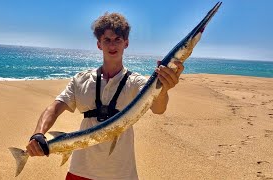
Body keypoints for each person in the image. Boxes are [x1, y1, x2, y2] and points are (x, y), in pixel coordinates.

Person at [26, 12, 184, 180]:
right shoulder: (82, 80)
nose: (112, 45)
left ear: (126, 43)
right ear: (99, 45)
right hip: (80, 171)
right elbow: (55, 107)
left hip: (121, 173)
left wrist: (163, 88)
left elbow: (159, 109)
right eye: (106, 40)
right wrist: (38, 133)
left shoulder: (135, 82)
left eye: (117, 39)